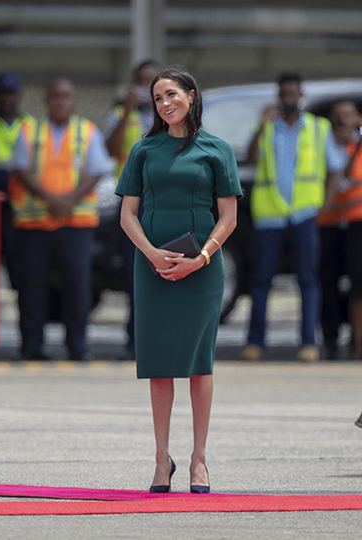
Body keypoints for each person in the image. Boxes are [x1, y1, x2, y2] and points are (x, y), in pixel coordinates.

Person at [116, 67, 241, 493]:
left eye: (171, 94)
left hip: (202, 270)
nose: (164, 104)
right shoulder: (144, 149)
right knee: (159, 365)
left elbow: (229, 217)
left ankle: (199, 460)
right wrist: (151, 253)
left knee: (199, 365)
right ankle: (159, 458)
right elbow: (127, 214)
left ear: (191, 95)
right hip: (152, 267)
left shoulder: (216, 149)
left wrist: (201, 258)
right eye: (157, 98)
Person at [240, 73, 343, 363]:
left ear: (301, 96)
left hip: (304, 214)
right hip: (270, 214)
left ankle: (308, 342)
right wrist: (260, 128)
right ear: (278, 97)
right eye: (283, 94)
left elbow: (335, 170)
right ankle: (255, 342)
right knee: (261, 280)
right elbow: (250, 159)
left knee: (308, 279)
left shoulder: (318, 128)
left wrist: (324, 207)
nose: (288, 99)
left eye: (293, 94)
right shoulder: (268, 128)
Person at [10, 78, 110, 361]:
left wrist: (67, 201)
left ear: (74, 100)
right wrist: (53, 200)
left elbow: (96, 171)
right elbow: (22, 169)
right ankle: (31, 346)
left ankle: (77, 346)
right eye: (55, 96)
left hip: (75, 224)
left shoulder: (87, 131)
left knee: (77, 286)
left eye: (66, 96)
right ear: (46, 100)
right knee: (31, 287)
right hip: (34, 224)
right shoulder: (29, 130)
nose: (61, 101)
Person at [104, 59, 161, 358]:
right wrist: (127, 110)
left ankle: (162, 339)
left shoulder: (175, 115)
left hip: (166, 205)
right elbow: (110, 150)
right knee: (135, 273)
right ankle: (136, 341)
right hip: (132, 206)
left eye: (153, 83)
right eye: (142, 83)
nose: (146, 90)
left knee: (167, 273)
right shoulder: (119, 115)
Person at [317, 100, 360, 359]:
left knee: (358, 285)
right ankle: (331, 339)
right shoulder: (324, 144)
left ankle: (357, 342)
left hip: (356, 222)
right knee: (328, 282)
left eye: (348, 116)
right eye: (337, 117)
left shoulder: (359, 142)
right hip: (329, 222)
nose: (342, 121)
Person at [0, 71, 33, 291]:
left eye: (11, 93)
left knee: (20, 260)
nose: (7, 99)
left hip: (21, 201)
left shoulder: (31, 126)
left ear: (19, 96)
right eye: (3, 93)